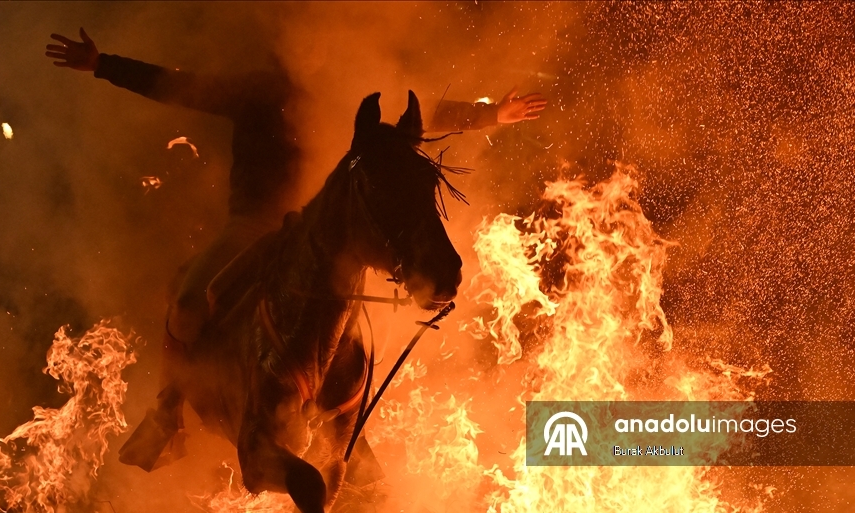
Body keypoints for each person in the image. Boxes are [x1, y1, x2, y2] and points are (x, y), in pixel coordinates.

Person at [46, 29, 547, 467]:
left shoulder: (341, 88)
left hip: (317, 234)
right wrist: (102, 64)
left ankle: (348, 431)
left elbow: (420, 117)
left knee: (352, 334)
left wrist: (491, 115)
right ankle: (167, 409)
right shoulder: (255, 91)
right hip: (252, 227)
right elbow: (177, 86)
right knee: (188, 302)